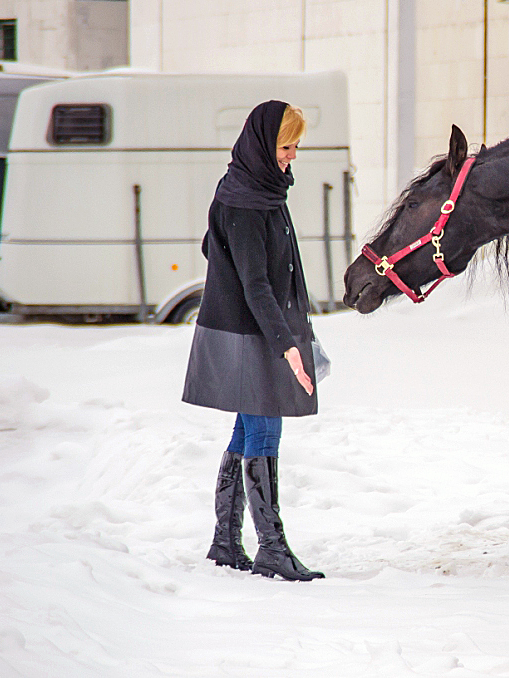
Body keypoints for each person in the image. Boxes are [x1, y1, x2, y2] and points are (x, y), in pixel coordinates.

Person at [182, 100, 323, 582]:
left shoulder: (253, 190)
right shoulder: (244, 201)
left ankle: (226, 541)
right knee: (265, 433)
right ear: (265, 144)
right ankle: (272, 548)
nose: (293, 155)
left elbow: (212, 248)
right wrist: (287, 347)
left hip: (256, 330)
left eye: (297, 145)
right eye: (287, 146)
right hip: (253, 336)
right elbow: (255, 283)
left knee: (247, 433)